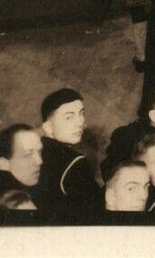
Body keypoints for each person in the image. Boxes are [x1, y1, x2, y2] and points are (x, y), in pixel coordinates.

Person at [36, 88, 102, 220]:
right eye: (69, 117)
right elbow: (96, 211)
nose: (80, 122)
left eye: (82, 114)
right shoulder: (76, 163)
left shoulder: (34, 154)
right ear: (48, 127)